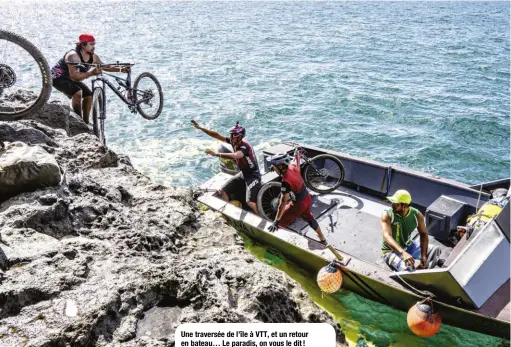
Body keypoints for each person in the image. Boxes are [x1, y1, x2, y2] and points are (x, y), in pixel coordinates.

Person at [51, 34, 128, 124]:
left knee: (88, 95)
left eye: (94, 44)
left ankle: (86, 122)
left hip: (69, 78)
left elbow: (105, 66)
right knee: (77, 93)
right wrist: (91, 73)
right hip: (57, 77)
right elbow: (74, 76)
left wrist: (120, 69)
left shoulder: (93, 56)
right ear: (83, 45)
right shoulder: (73, 56)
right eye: (91, 44)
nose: (93, 47)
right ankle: (78, 121)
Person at [191, 120, 261, 215]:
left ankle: (263, 219)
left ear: (240, 137)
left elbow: (236, 155)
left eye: (233, 136)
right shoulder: (234, 142)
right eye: (231, 136)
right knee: (223, 191)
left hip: (253, 176)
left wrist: (216, 154)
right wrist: (200, 128)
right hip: (243, 173)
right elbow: (217, 135)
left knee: (250, 202)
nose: (231, 138)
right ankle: (228, 213)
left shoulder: (245, 147)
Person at [266, 152, 327, 244]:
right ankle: (322, 238)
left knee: (281, 221)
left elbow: (282, 203)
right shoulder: (292, 167)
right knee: (309, 218)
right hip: (307, 198)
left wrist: (276, 221)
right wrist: (297, 156)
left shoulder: (285, 182)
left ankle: (273, 242)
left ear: (281, 167)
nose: (273, 168)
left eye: (274, 166)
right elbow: (296, 162)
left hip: (298, 205)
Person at [381, 189, 429, 271]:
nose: (392, 205)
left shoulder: (417, 215)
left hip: (409, 245)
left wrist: (423, 255)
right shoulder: (387, 215)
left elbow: (423, 234)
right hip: (390, 251)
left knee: (433, 251)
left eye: (396, 203)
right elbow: (387, 236)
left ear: (404, 206)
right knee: (407, 270)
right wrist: (403, 253)